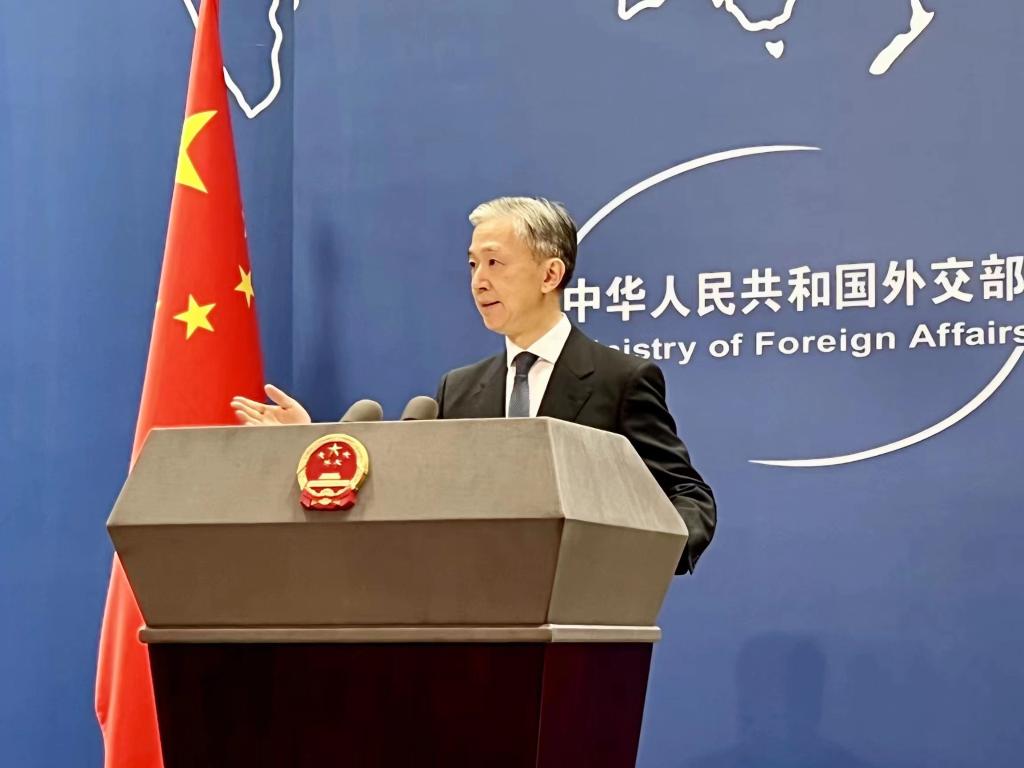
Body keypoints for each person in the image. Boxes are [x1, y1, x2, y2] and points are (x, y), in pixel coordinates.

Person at [232, 197, 715, 573]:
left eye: (494, 263)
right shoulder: (459, 389)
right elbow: (407, 492)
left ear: (551, 273)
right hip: (471, 609)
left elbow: (687, 495)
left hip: (582, 610)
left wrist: (636, 563)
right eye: (472, 265)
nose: (478, 281)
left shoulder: (620, 380)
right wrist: (313, 443)